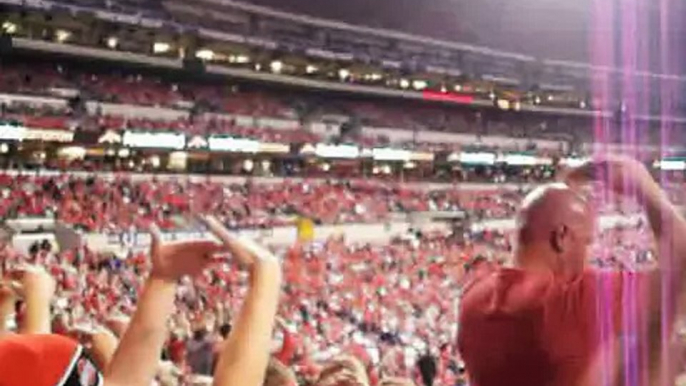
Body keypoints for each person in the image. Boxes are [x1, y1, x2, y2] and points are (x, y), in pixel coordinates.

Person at [458, 157, 686, 386]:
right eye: (587, 242)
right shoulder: (571, 300)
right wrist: (644, 188)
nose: (590, 256)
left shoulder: (473, 298)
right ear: (562, 237)